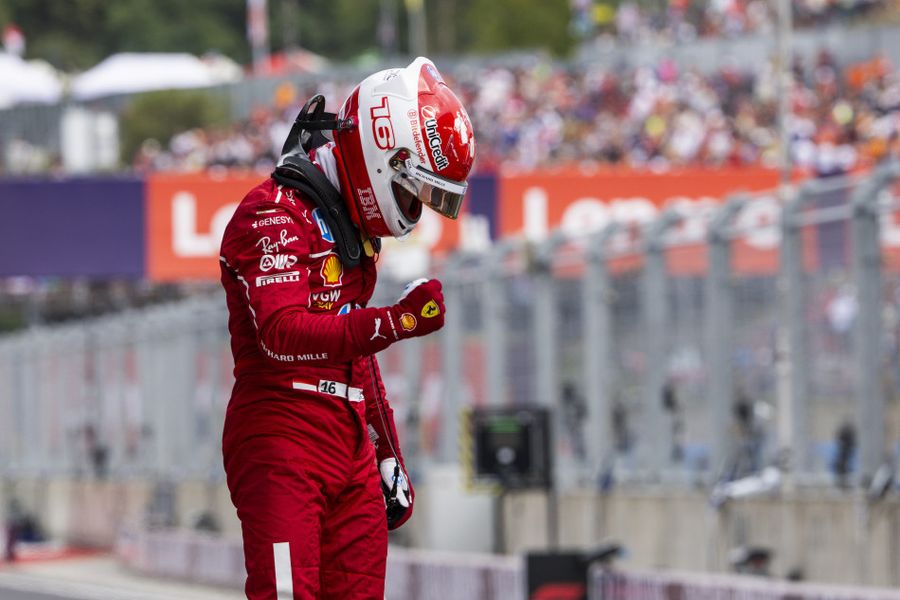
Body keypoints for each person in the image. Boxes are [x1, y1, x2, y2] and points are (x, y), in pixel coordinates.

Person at [218, 57, 475, 599]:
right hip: (280, 436)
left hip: (350, 439)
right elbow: (282, 335)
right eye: (413, 193)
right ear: (386, 157)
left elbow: (354, 353)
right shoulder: (270, 214)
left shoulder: (346, 225)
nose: (413, 210)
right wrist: (396, 321)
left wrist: (388, 454)